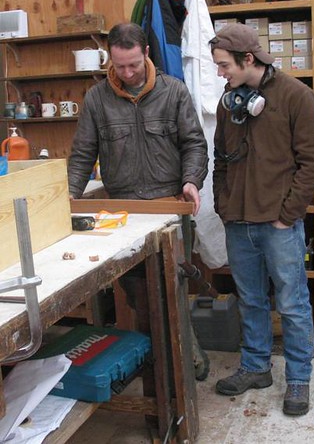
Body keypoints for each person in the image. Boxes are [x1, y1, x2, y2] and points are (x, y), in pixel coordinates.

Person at [67, 22, 209, 379]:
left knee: (171, 290)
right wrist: (69, 194)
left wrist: (192, 181)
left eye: (133, 64)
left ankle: (183, 362)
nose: (127, 73)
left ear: (146, 53)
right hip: (122, 212)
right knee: (139, 296)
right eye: (119, 66)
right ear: (110, 60)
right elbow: (83, 152)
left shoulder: (173, 91)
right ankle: (166, 366)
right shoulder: (97, 99)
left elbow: (194, 143)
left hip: (169, 207)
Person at [209, 23, 314, 415]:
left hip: (279, 225)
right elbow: (220, 160)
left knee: (292, 304)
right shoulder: (230, 101)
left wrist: (287, 214)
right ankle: (256, 366)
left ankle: (298, 380)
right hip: (238, 223)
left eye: (224, 65)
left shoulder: (297, 97)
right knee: (251, 301)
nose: (220, 73)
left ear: (248, 59)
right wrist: (223, 205)